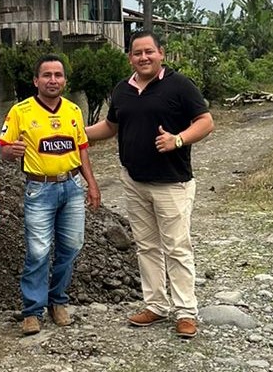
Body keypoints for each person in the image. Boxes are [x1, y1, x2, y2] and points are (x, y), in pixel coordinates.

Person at [85, 31, 214, 339]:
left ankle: (186, 311)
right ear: (130, 57)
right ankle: (155, 305)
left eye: (149, 52)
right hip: (134, 181)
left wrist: (178, 139)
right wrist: (75, 131)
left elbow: (206, 122)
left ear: (161, 54)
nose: (143, 57)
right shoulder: (122, 89)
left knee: (177, 248)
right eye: (137, 53)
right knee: (146, 246)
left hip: (172, 183)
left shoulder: (180, 85)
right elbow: (111, 126)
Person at [0, 54, 101, 336]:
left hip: (72, 187)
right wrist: (11, 151)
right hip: (39, 189)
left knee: (72, 246)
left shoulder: (73, 111)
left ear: (64, 80)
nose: (53, 80)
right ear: (36, 80)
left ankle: (58, 301)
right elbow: (4, 149)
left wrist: (91, 184)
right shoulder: (20, 111)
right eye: (47, 75)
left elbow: (82, 150)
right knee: (38, 251)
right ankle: (32, 311)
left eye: (58, 75)